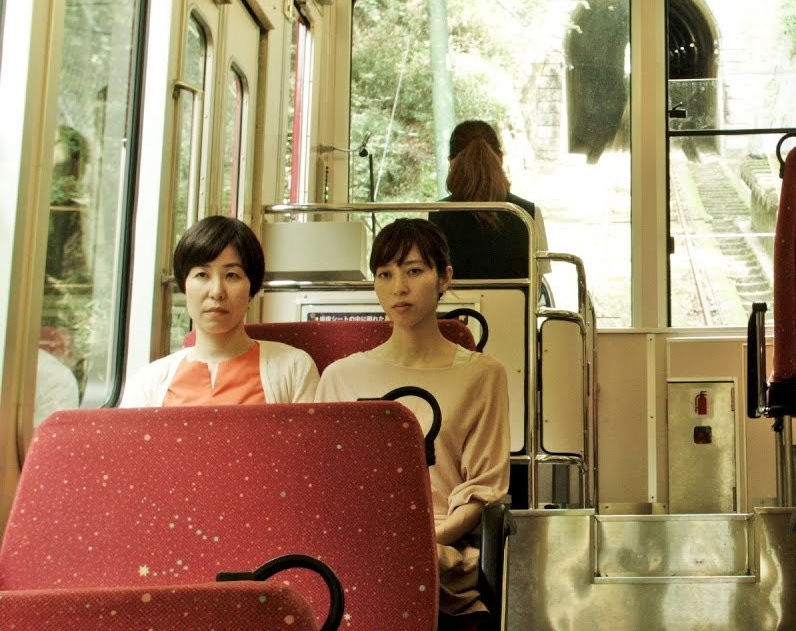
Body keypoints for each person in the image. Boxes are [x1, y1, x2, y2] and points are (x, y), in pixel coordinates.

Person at [316, 218, 509, 623]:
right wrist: (374, 548)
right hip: (356, 551)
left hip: (443, 552)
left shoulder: (482, 374)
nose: (398, 287)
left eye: (414, 271)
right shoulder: (340, 376)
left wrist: (417, 544)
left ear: (444, 278)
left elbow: (482, 490)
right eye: (385, 274)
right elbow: (326, 487)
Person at [120, 216, 319, 406]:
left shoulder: (293, 368)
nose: (216, 292)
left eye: (232, 275)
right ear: (184, 286)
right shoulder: (147, 383)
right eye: (202, 275)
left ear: (251, 289)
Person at [428, 120, 549, 279]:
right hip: (516, 297)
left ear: (451, 160)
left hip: (453, 297)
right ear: (500, 158)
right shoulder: (527, 213)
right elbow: (538, 280)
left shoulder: (435, 215)